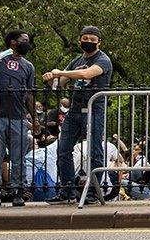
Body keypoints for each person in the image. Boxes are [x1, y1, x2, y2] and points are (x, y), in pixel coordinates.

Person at [44, 26, 113, 202]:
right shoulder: (76, 60)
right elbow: (60, 81)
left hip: (94, 110)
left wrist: (60, 72)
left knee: (95, 152)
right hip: (74, 111)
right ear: (79, 40)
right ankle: (67, 191)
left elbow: (86, 73)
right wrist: (52, 77)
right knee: (63, 150)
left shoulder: (103, 60)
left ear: (99, 42)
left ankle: (93, 191)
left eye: (92, 39)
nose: (88, 42)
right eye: (85, 39)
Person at [0, 30, 35, 205]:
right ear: (12, 42)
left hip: (18, 117)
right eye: (23, 40)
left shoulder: (28, 66)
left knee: (18, 157)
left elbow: (30, 94)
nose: (26, 43)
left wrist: (36, 119)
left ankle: (18, 191)